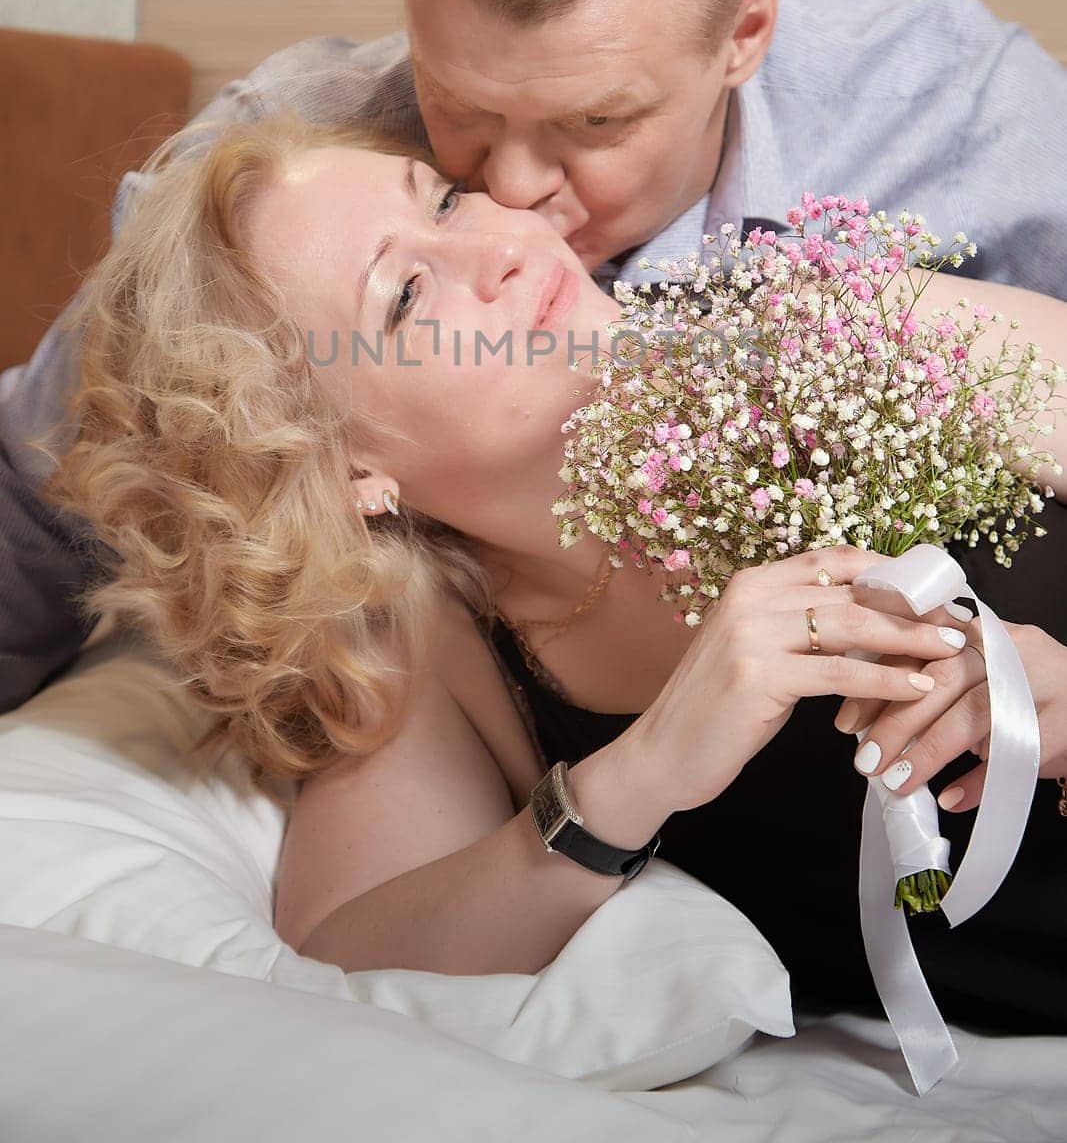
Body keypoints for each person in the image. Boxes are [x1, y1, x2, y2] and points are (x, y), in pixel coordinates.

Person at [2, 0, 1065, 712]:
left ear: (743, 32)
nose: (510, 197)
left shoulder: (957, 110)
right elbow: (35, 498)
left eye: (594, 121)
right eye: (455, 109)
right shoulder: (284, 169)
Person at [34, 111, 1067, 1037]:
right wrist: (644, 770)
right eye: (405, 293)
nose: (497, 245)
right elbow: (348, 946)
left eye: (444, 199)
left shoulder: (834, 334)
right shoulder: (439, 631)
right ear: (344, 469)